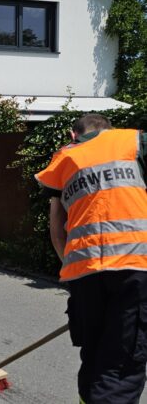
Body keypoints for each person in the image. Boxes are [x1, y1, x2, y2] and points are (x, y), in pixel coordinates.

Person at [35, 113, 147, 404]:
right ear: (111, 129)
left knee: (95, 354)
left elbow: (57, 227)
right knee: (120, 365)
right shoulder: (136, 142)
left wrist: (72, 271)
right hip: (135, 266)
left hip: (83, 270)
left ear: (73, 135)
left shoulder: (65, 157)